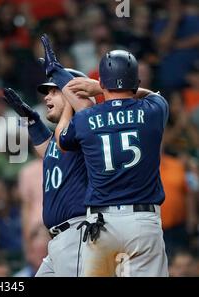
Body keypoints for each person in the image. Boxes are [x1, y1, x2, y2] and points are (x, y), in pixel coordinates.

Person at [42, 34, 169, 276]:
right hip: (143, 221)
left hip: (102, 225)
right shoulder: (154, 110)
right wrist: (99, 87)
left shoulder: (86, 118)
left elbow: (61, 139)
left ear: (102, 83)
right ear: (136, 80)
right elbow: (152, 95)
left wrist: (74, 96)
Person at [3, 67, 92, 276]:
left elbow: (84, 115)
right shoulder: (64, 137)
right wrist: (32, 121)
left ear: (74, 93)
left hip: (78, 233)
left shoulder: (87, 129)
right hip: (60, 239)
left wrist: (74, 100)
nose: (46, 97)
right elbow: (50, 150)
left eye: (54, 91)